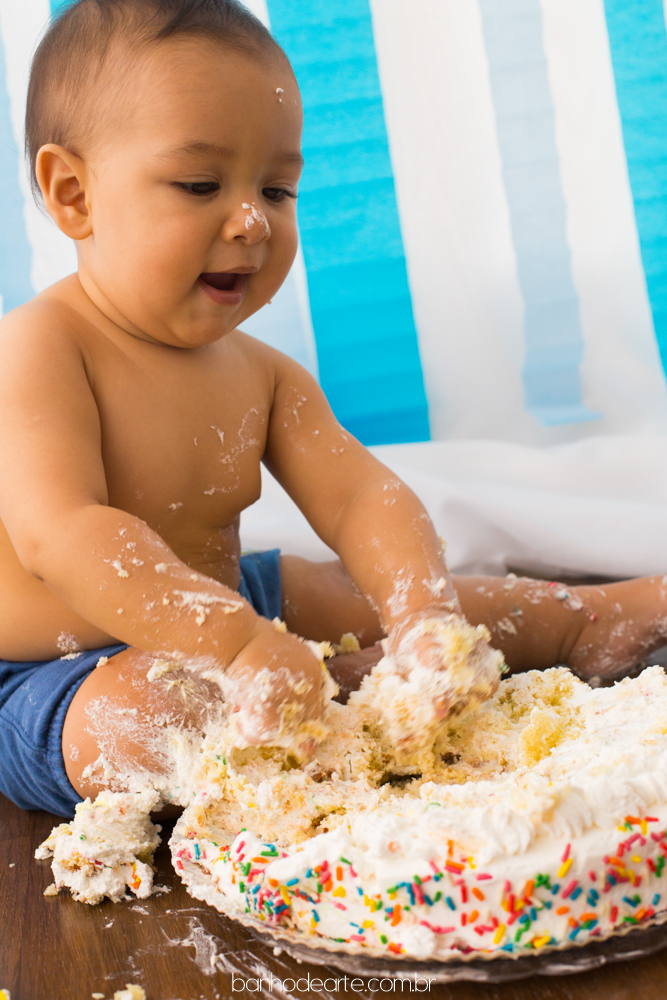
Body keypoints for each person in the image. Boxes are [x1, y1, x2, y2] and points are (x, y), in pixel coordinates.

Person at [0, 0, 665, 818]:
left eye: (276, 190)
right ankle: (338, 688)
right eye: (201, 184)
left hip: (238, 615)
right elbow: (60, 534)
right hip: (51, 670)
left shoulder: (263, 373)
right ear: (74, 194)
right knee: (142, 715)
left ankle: (586, 619)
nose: (249, 220)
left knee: (333, 590)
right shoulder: (37, 349)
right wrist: (237, 646)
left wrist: (421, 612)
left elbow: (361, 498)